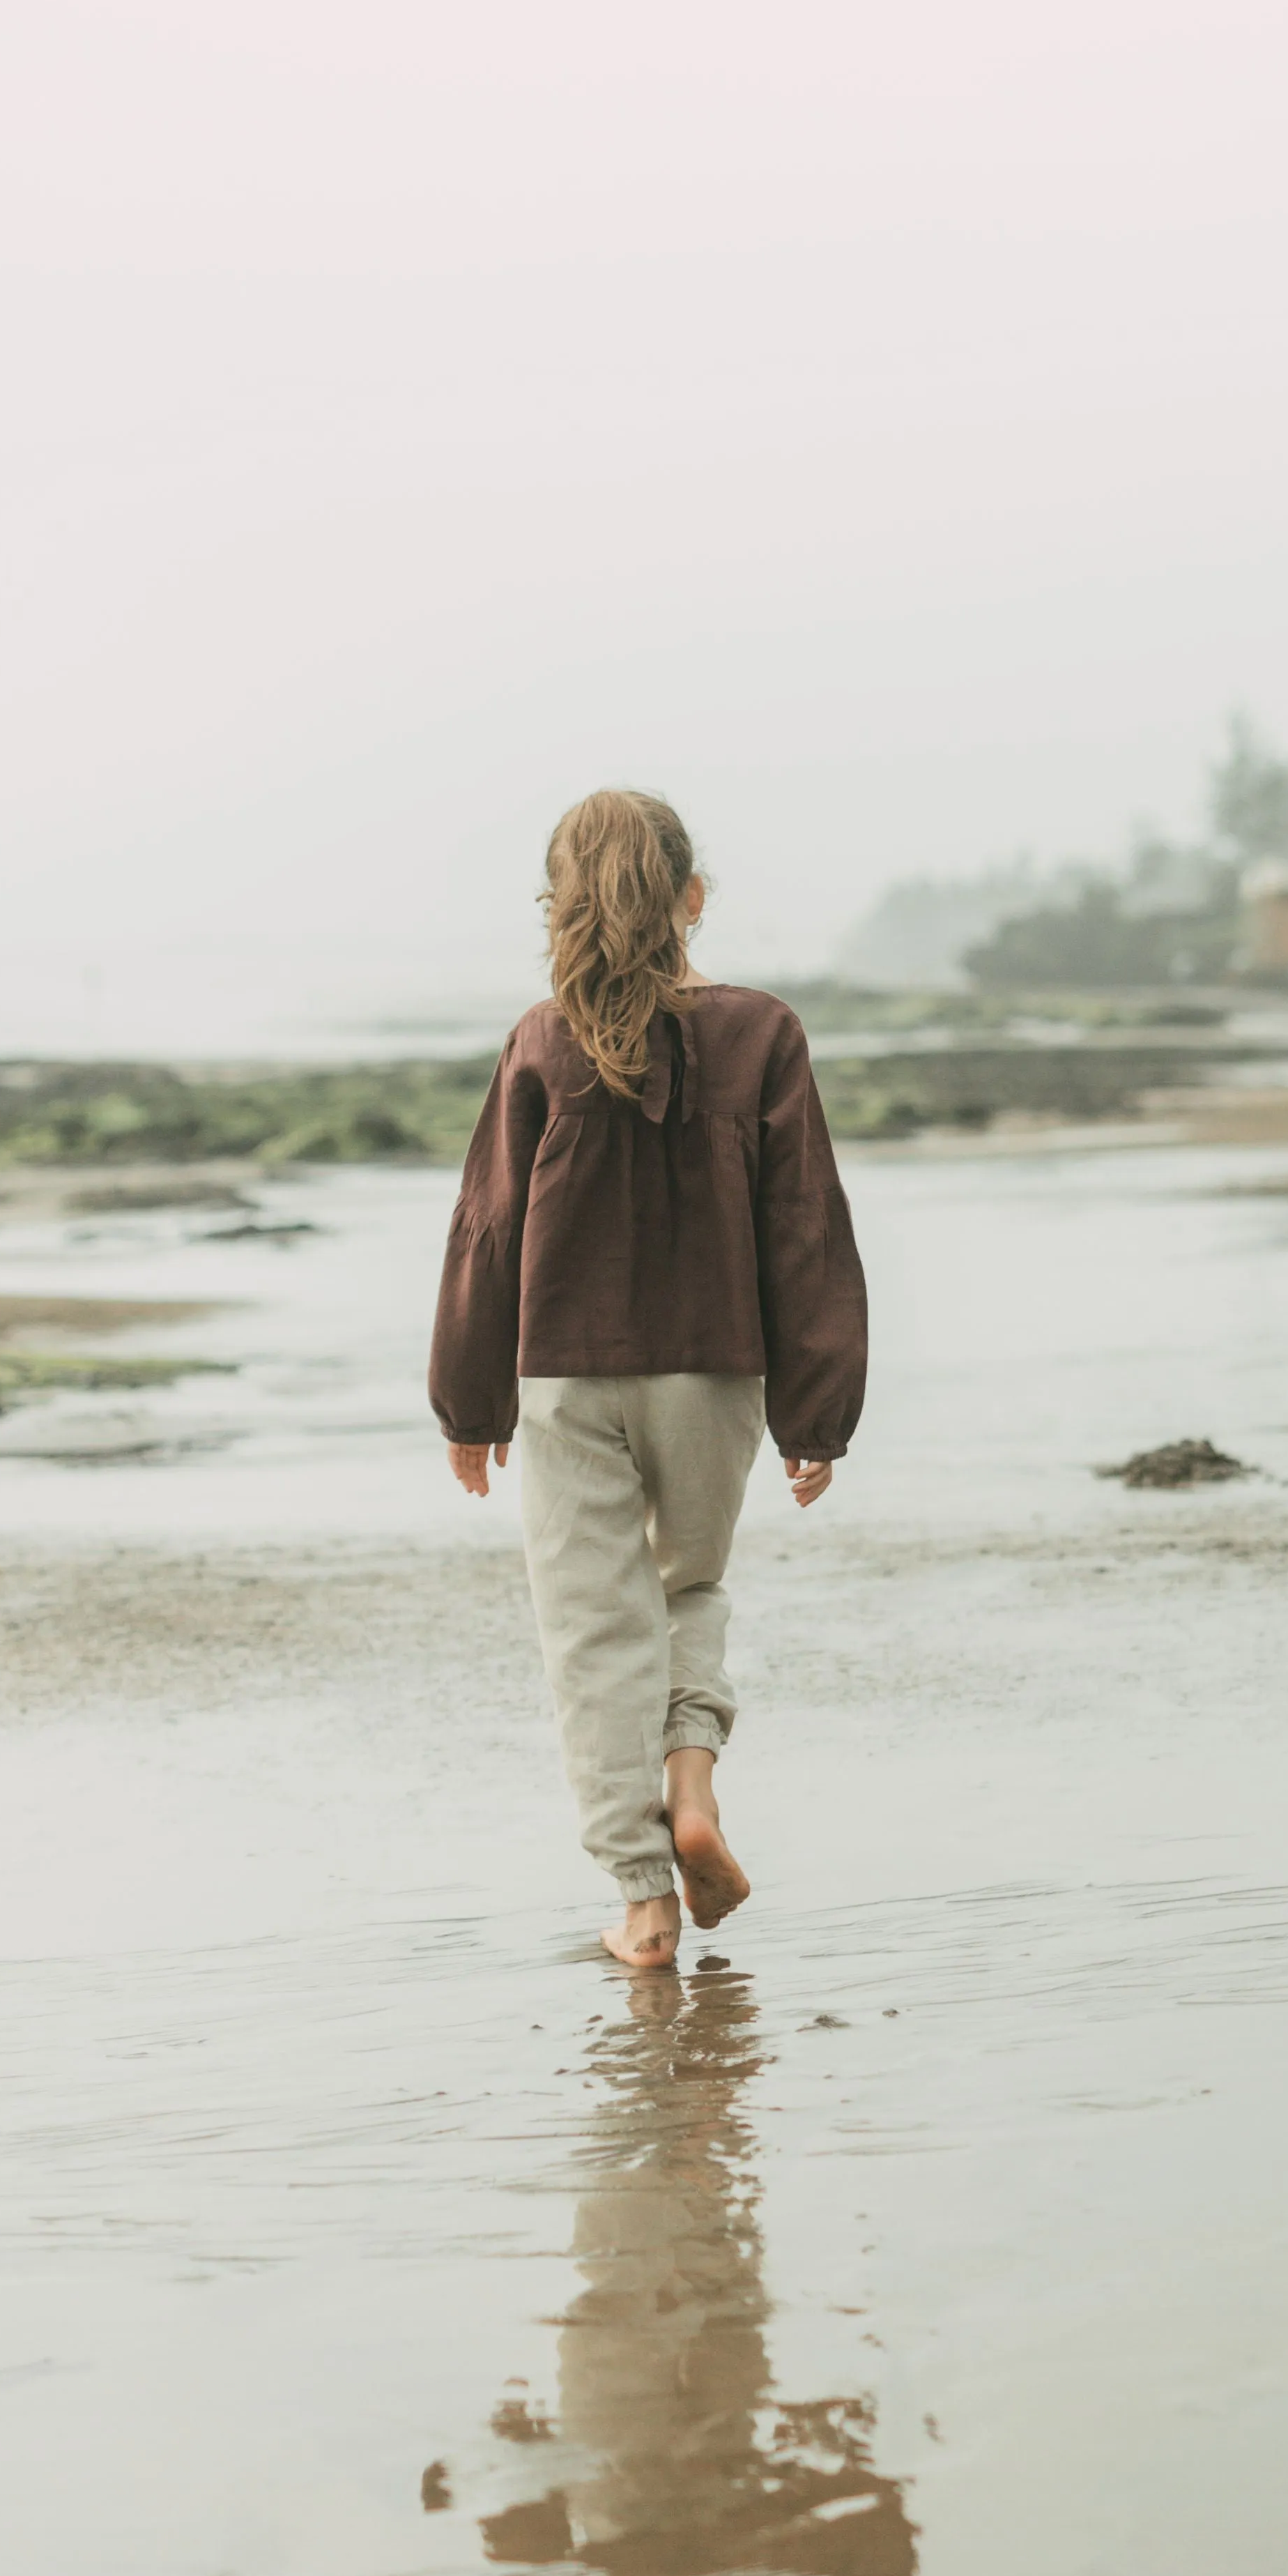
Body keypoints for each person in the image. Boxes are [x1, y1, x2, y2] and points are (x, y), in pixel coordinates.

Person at [429, 791, 867, 1969]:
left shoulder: (539, 1040)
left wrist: (468, 1404)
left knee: (594, 1633)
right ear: (692, 899)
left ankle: (644, 1900)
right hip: (716, 1375)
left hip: (566, 1377)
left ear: (560, 905)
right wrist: (814, 1415)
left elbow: (490, 1227)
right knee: (690, 1591)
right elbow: (805, 1226)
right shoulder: (763, 1032)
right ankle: (691, 1786)